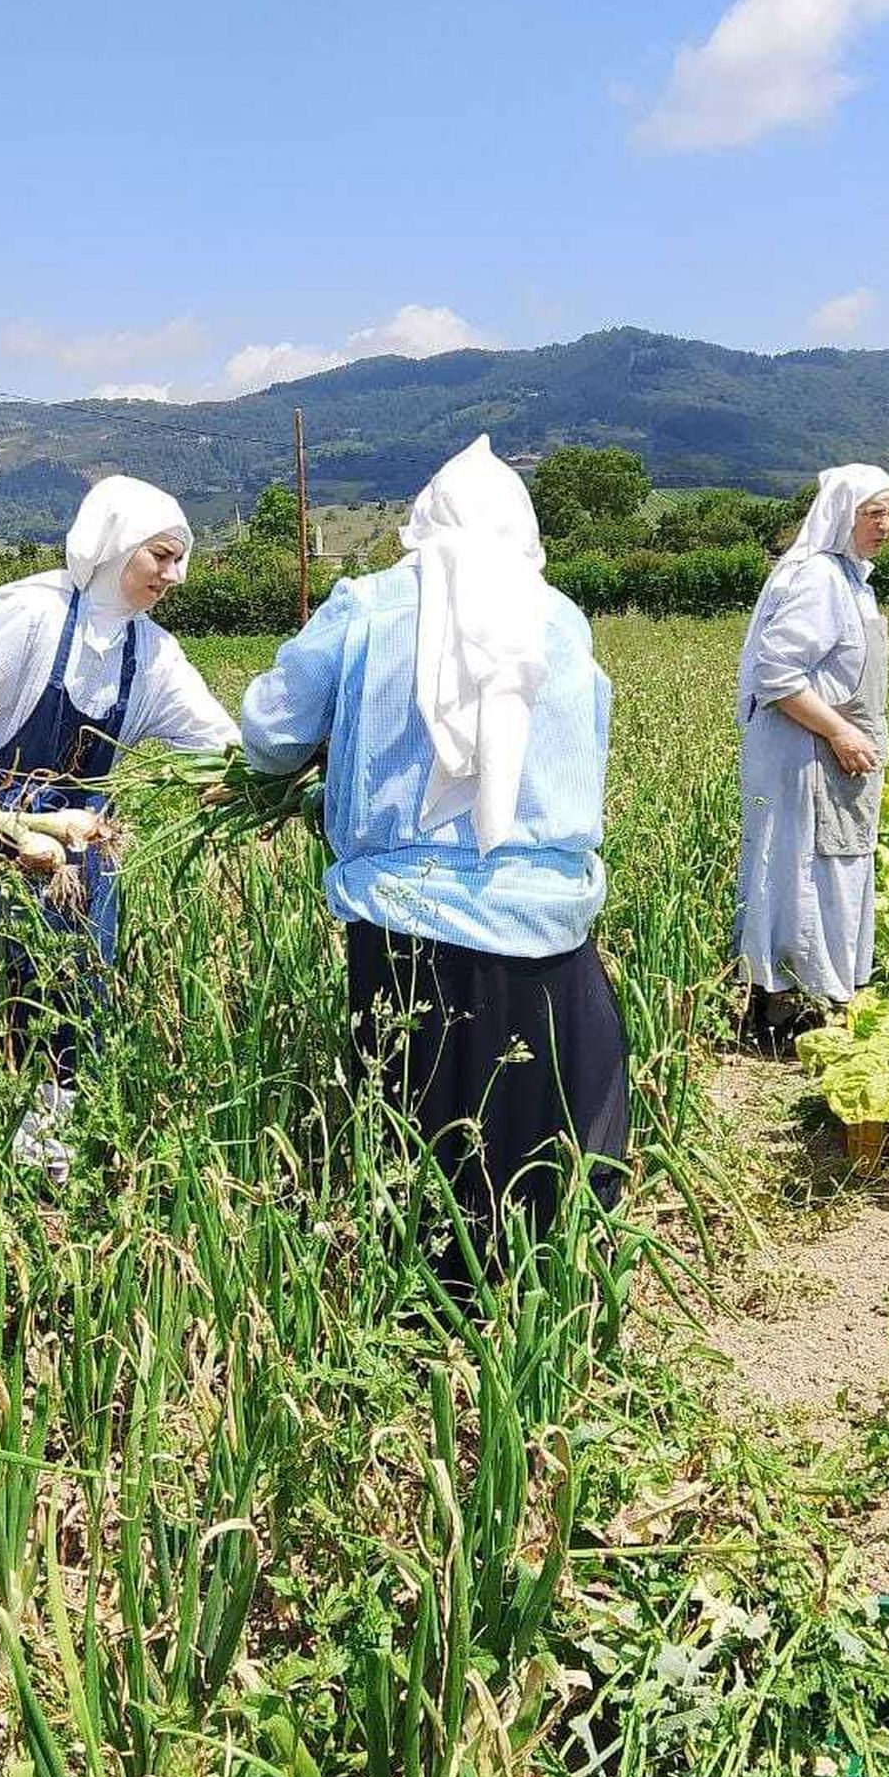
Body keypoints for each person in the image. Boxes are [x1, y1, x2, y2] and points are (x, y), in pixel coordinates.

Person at [238, 434, 627, 1274]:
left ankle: (425, 1326)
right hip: (545, 921)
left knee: (420, 1132)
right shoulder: (557, 617)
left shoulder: (369, 604)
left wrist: (327, 757)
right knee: (535, 1133)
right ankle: (534, 1312)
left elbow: (270, 734)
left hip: (404, 922)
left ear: (425, 521)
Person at [0, 475, 238, 1177]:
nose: (174, 575)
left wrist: (248, 781)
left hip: (74, 855)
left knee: (69, 1006)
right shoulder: (34, 611)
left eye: (180, 561)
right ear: (116, 547)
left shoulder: (152, 653)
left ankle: (40, 1163)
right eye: (162, 556)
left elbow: (213, 740)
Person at [733, 462, 889, 1055]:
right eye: (873, 512)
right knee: (803, 873)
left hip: (833, 759)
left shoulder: (851, 579)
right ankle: (790, 1003)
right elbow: (777, 675)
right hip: (808, 759)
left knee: (829, 869)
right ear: (841, 514)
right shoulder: (818, 580)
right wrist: (839, 732)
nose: (885, 524)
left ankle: (816, 996)